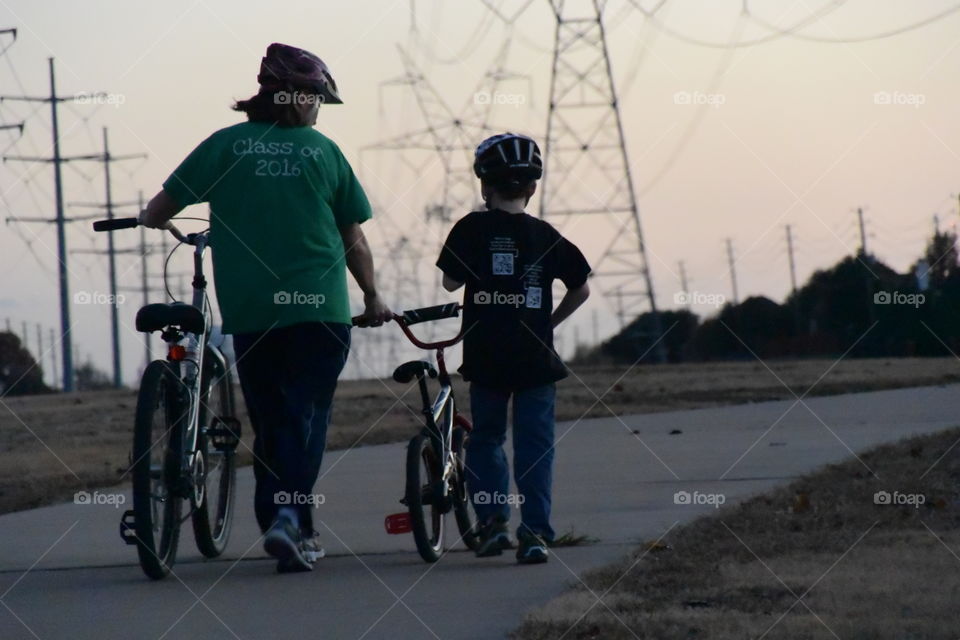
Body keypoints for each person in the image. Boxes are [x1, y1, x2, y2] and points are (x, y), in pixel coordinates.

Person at [139, 43, 392, 573]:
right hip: (319, 308)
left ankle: (285, 523)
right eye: (315, 98)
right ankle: (290, 520)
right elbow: (353, 237)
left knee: (272, 422)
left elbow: (158, 210)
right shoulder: (323, 152)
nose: (317, 108)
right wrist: (372, 295)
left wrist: (157, 220)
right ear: (295, 96)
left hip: (252, 312)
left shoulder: (224, 145)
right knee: (305, 417)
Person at [436, 133, 591, 564]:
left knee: (486, 439)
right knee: (535, 446)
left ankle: (493, 524)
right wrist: (548, 322)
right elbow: (580, 288)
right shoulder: (545, 235)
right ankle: (536, 533)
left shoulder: (471, 228)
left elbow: (450, 282)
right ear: (533, 188)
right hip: (536, 360)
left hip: (487, 357)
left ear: (484, 185)